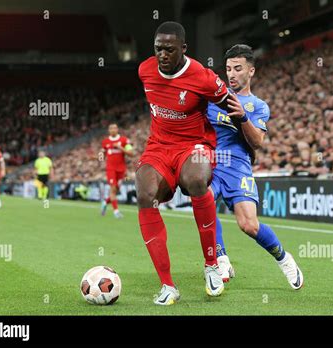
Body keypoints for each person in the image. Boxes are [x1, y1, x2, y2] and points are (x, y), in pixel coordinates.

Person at [136, 21, 245, 305]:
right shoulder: (145, 70)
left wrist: (246, 133)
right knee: (144, 193)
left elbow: (230, 103)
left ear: (184, 49)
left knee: (197, 179)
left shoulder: (202, 77)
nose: (162, 54)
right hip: (159, 147)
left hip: (194, 145)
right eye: (158, 49)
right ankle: (167, 285)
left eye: (169, 49)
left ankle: (211, 265)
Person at [207, 44, 303, 289]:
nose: (232, 74)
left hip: (238, 165)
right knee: (204, 201)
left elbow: (257, 142)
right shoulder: (213, 98)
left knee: (249, 225)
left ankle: (284, 259)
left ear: (251, 72)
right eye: (228, 69)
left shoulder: (258, 106)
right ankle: (220, 258)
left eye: (238, 68)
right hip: (210, 162)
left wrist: (242, 117)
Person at [100, 123, 133, 218]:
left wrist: (120, 147)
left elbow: (131, 153)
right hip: (110, 169)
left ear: (117, 129)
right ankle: (116, 212)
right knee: (113, 189)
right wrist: (99, 155)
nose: (113, 130)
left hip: (121, 169)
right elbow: (102, 154)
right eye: (111, 128)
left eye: (114, 128)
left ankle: (105, 202)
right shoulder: (105, 142)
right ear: (108, 130)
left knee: (116, 191)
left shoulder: (124, 140)